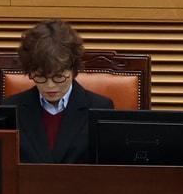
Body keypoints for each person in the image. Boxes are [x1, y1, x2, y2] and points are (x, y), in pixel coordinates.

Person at [6, 19, 113, 164]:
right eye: (40, 77)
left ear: (74, 70)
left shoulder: (100, 108)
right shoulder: (12, 108)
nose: (50, 86)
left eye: (58, 77)